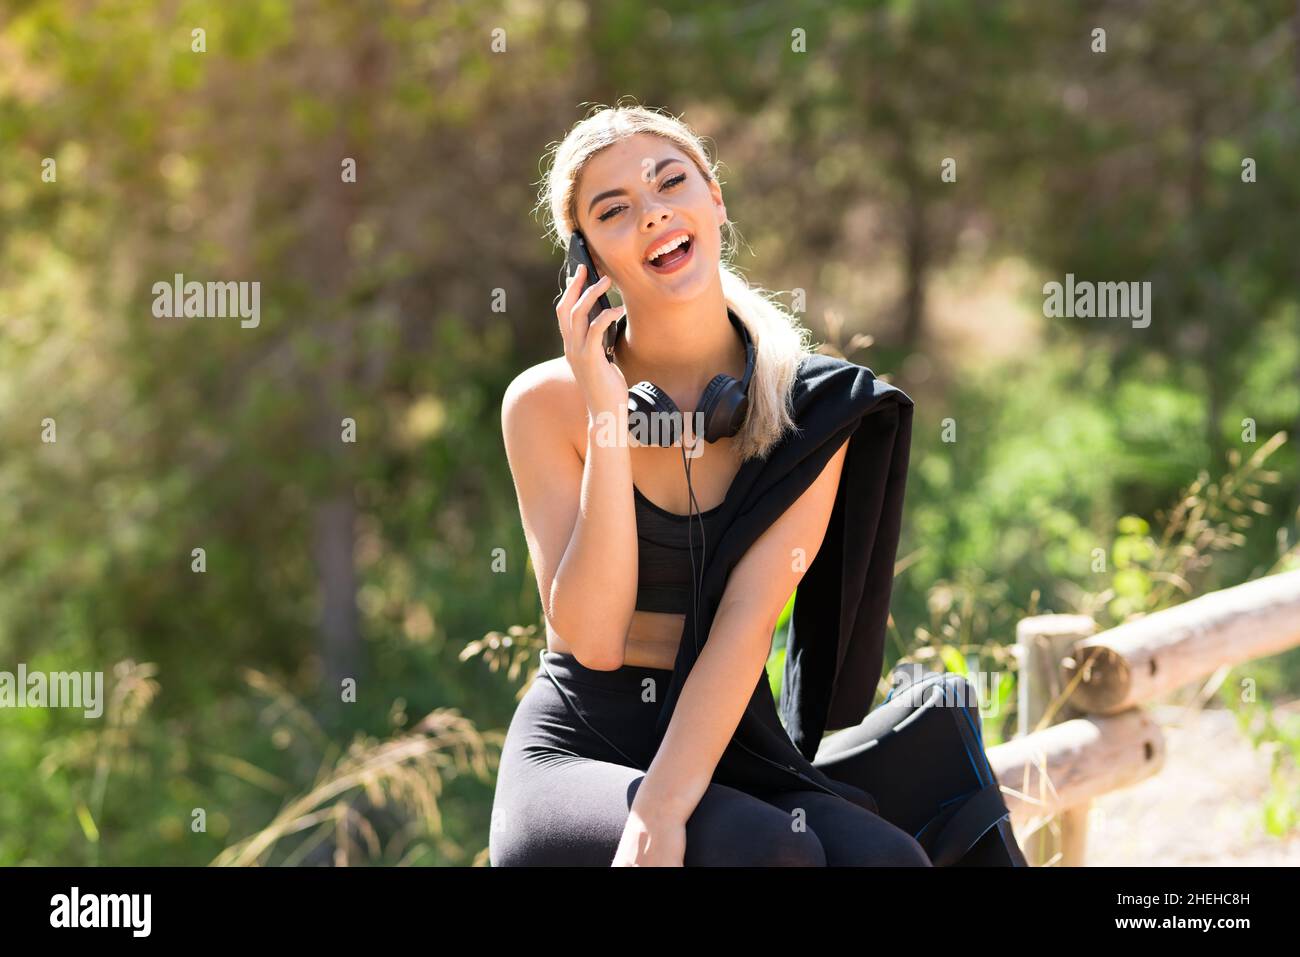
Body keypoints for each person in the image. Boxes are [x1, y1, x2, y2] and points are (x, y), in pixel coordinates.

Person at [490, 103, 931, 867]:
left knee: (891, 861)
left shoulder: (812, 407)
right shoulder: (545, 403)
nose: (653, 212)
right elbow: (593, 641)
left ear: (714, 200)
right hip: (579, 748)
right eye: (615, 210)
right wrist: (606, 415)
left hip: (724, 736)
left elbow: (747, 621)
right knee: (767, 852)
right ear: (585, 258)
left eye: (670, 181)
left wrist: (661, 808)